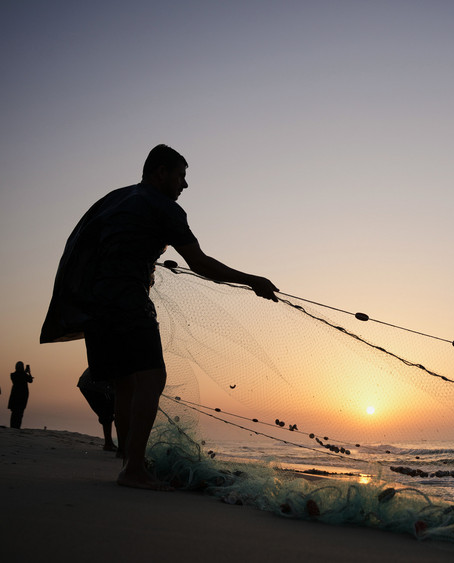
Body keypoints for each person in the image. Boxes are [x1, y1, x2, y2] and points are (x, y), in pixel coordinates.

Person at [40, 144, 279, 490]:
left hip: (96, 305)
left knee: (125, 382)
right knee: (152, 378)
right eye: (181, 176)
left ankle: (130, 462)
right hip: (127, 301)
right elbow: (200, 263)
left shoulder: (114, 199)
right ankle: (134, 469)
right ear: (161, 172)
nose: (185, 185)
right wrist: (253, 280)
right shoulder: (164, 207)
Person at [77, 368, 119, 453]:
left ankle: (111, 444)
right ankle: (111, 444)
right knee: (109, 412)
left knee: (110, 412)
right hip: (92, 383)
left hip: (88, 382)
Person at [7, 361, 33, 429]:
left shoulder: (14, 375)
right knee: (18, 412)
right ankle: (15, 426)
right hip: (20, 396)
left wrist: (27, 372)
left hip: (17, 395)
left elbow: (30, 380)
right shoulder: (16, 375)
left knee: (16, 412)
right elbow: (29, 380)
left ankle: (14, 426)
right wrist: (27, 372)